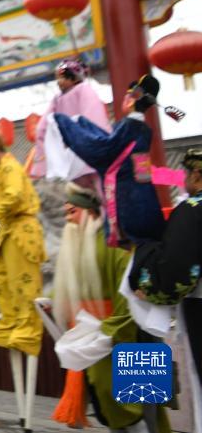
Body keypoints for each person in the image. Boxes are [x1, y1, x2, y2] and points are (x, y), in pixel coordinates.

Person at [50, 183, 170, 432]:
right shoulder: (80, 248)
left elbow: (131, 298)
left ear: (92, 212)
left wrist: (109, 334)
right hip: (97, 337)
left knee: (141, 412)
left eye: (73, 212)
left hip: (132, 334)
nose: (68, 219)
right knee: (110, 408)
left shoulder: (115, 244)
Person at [128, 147, 202, 431]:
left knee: (137, 402)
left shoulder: (191, 211)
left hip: (135, 320)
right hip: (142, 322)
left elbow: (175, 269)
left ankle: (147, 422)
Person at [54, 74, 166, 244]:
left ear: (130, 100)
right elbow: (109, 144)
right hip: (144, 204)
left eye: (127, 95)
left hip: (129, 209)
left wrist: (63, 123)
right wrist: (82, 123)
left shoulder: (128, 127)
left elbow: (101, 150)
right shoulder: (143, 130)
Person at [0, 128, 45, 357]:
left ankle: (27, 331)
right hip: (8, 229)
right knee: (1, 278)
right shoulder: (0, 170)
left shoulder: (9, 167)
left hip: (20, 230)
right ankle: (10, 324)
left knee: (23, 281)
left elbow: (14, 196)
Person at [31, 57, 111, 183]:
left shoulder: (73, 93)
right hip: (84, 147)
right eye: (58, 78)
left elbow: (42, 128)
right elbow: (94, 120)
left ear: (75, 78)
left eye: (63, 78)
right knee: (100, 185)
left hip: (71, 150)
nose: (59, 82)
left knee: (80, 187)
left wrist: (44, 159)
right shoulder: (80, 92)